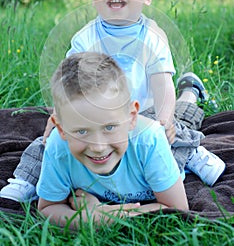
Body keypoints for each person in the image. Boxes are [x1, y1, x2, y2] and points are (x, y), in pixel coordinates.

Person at [0, 0, 225, 202]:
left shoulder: (150, 38)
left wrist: (164, 121)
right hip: (97, 113)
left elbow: (162, 84)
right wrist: (59, 116)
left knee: (173, 130)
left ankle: (192, 150)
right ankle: (25, 179)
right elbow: (70, 84)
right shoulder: (85, 37)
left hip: (144, 112)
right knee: (48, 141)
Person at [37, 52, 189, 229]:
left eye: (109, 127)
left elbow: (177, 208)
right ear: (61, 129)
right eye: (82, 131)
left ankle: (190, 92)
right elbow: (48, 208)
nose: (98, 147)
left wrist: (101, 214)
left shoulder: (150, 141)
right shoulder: (58, 146)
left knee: (185, 121)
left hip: (169, 150)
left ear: (132, 117)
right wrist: (94, 218)